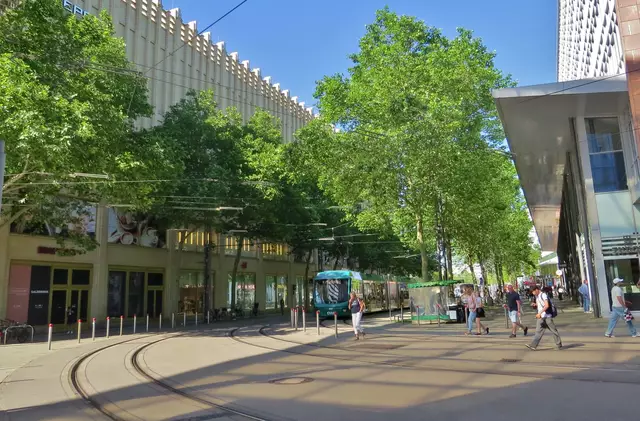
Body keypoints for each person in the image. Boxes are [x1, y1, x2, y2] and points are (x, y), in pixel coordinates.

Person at [526, 285, 562, 351]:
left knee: (553, 330)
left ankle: (559, 344)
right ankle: (533, 345)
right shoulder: (537, 296)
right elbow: (540, 305)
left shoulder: (543, 295)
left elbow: (546, 305)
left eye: (533, 292)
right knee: (538, 331)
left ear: (536, 290)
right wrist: (535, 304)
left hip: (547, 316)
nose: (533, 293)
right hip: (541, 317)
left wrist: (539, 313)